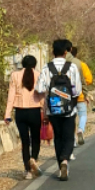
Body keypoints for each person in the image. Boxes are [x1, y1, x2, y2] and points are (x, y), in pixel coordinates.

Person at [36, 39, 81, 181]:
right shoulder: (72, 67)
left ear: (53, 51)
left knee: (58, 137)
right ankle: (65, 161)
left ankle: (60, 164)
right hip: (69, 110)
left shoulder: (46, 68)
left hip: (52, 109)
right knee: (69, 136)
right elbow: (77, 91)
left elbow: (39, 89)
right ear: (66, 51)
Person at [5, 54, 44, 180]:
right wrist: (46, 110)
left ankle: (27, 170)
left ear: (22, 64)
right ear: (35, 64)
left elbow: (11, 96)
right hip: (35, 111)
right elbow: (43, 94)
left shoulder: (14, 76)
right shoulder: (39, 75)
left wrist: (7, 114)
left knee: (25, 141)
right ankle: (34, 158)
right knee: (35, 138)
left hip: (20, 112)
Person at [68, 44, 94, 145]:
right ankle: (81, 129)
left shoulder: (64, 64)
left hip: (68, 96)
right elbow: (89, 80)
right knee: (83, 114)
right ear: (76, 54)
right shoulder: (81, 64)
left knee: (71, 118)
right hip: (80, 95)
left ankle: (73, 139)